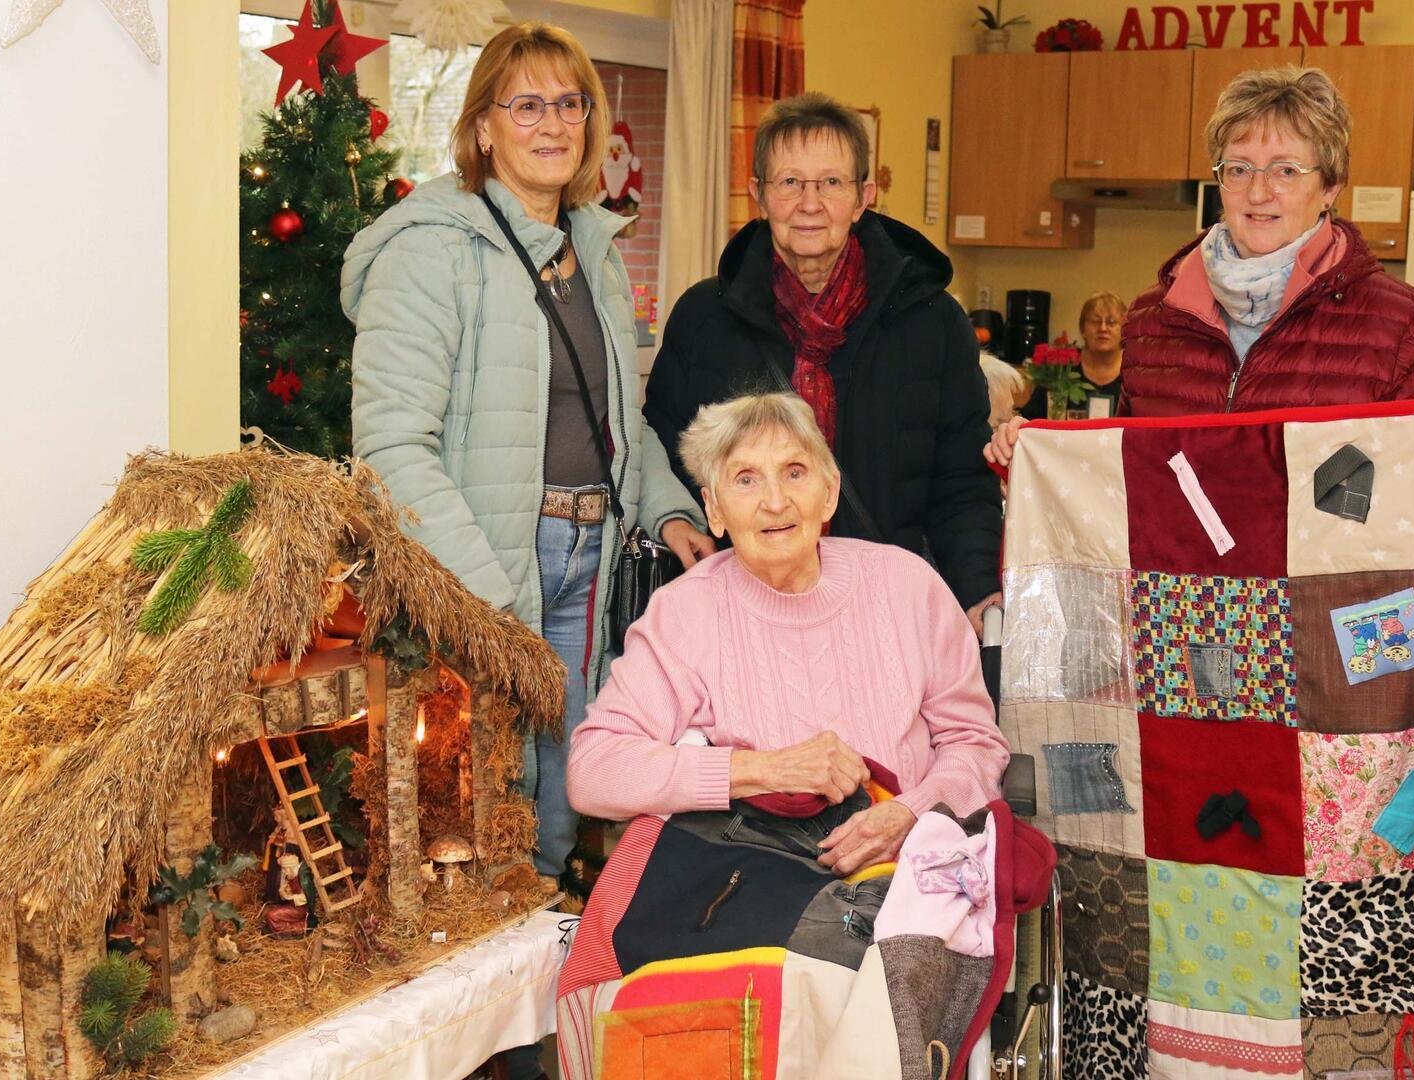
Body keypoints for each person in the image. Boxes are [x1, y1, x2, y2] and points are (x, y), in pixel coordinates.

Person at [341, 22, 713, 893]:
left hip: (594, 560)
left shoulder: (594, 251)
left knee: (564, 795)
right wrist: (486, 593)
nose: (554, 124)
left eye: (571, 103)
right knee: (483, 808)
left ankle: (546, 997)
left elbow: (620, 420)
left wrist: (668, 506)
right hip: (493, 565)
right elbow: (390, 446)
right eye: (528, 105)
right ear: (482, 128)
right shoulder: (432, 250)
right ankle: (494, 1012)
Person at [985, 66, 1414, 467]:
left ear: (1330, 186)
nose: (1259, 192)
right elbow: (1128, 470)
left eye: (1286, 170)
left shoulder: (1405, 324)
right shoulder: (1154, 317)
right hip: (1186, 606)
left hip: (1324, 611)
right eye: (1239, 169)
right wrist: (1036, 451)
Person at [567, 393, 1009, 874]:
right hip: (757, 878)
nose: (775, 501)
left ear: (829, 492)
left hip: (913, 869)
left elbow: (976, 745)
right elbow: (593, 770)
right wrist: (760, 770)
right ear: (713, 510)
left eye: (795, 472)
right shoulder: (685, 612)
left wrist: (913, 814)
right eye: (746, 479)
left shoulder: (907, 586)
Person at [645, 93, 1004, 631]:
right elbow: (666, 447)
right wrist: (676, 519)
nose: (809, 203)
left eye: (831, 183)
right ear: (758, 196)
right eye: (789, 182)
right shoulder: (703, 318)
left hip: (886, 613)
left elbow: (960, 481)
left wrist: (978, 591)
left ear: (863, 197)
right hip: (737, 614)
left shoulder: (932, 323)